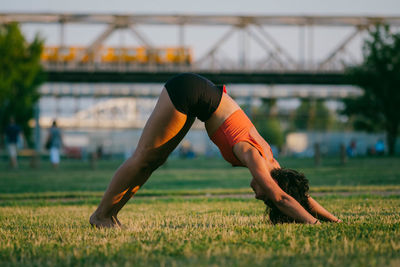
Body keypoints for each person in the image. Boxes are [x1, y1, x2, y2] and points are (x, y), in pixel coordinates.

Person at [90, 73, 341, 228]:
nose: (257, 196)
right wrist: (314, 224)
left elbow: (299, 196)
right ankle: (101, 216)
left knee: (151, 162)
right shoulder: (255, 156)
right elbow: (281, 198)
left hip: (198, 96)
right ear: (272, 185)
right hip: (189, 92)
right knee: (144, 158)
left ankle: (109, 217)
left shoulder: (275, 166)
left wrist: (334, 220)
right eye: (263, 195)